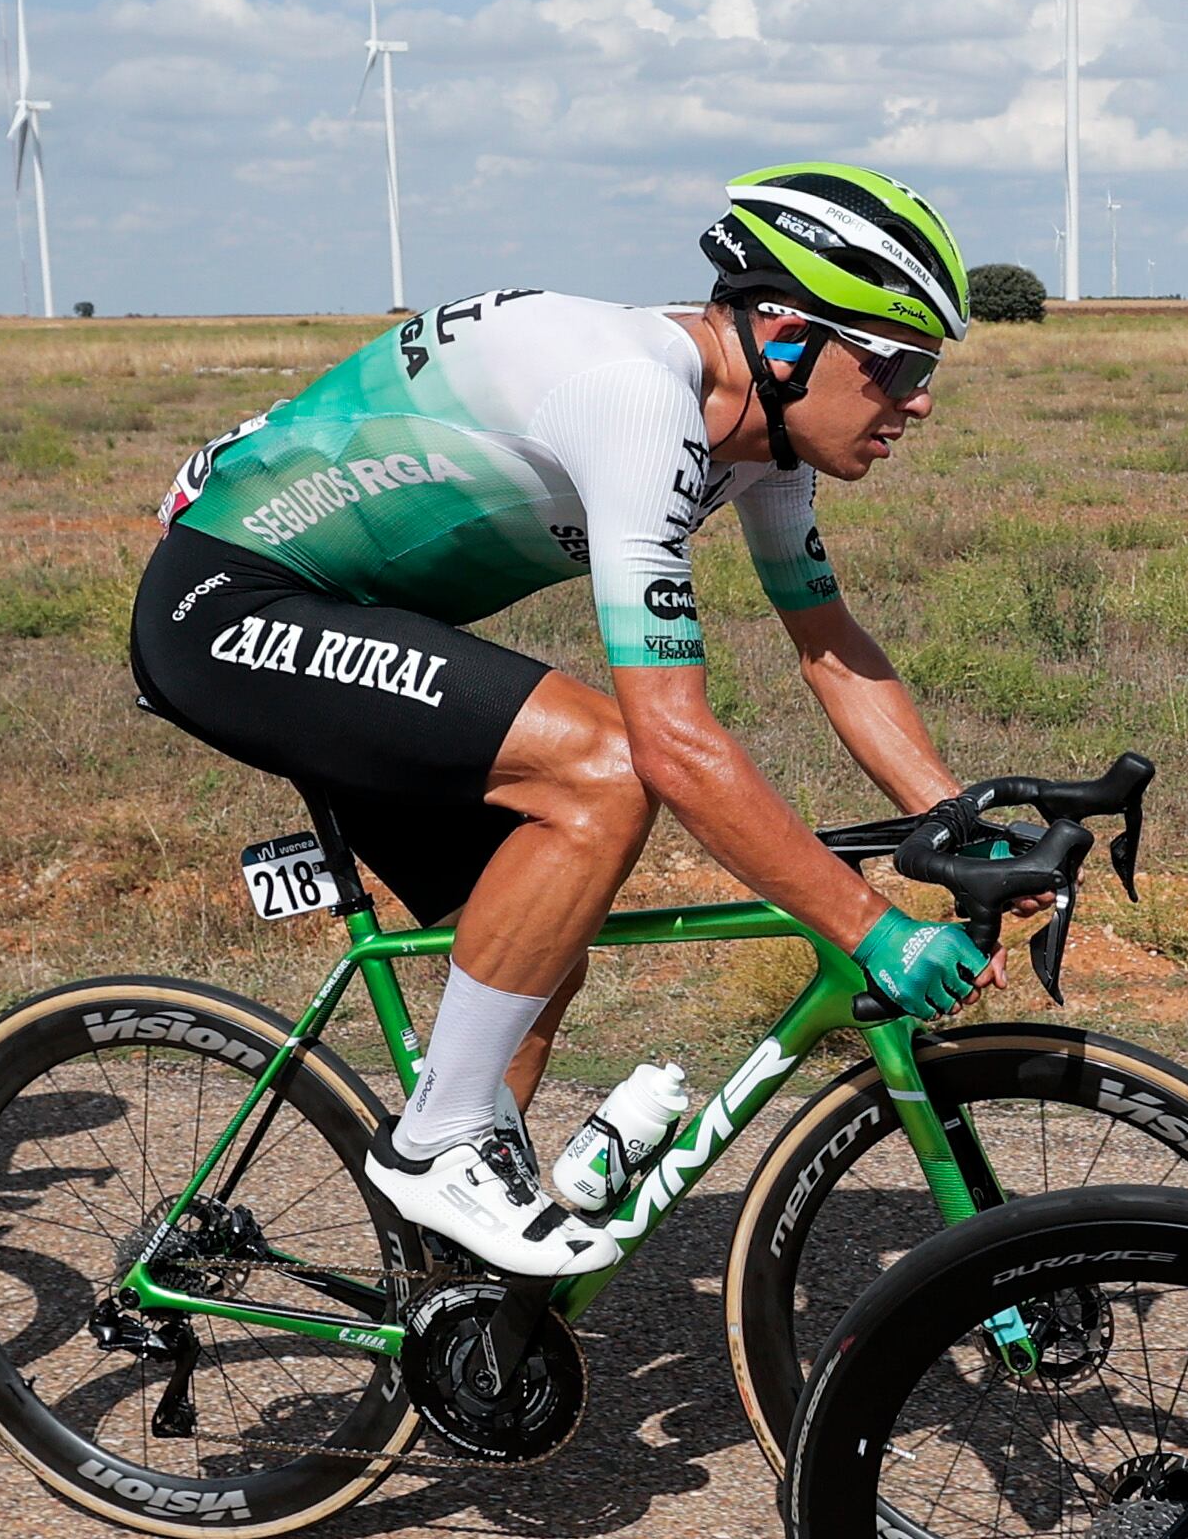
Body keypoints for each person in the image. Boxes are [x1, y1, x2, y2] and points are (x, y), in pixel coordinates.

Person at [136, 165, 999, 1275]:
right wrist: (870, 929)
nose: (918, 398)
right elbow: (670, 744)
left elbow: (826, 647)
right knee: (601, 771)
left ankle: (450, 1311)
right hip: (229, 603)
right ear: (786, 339)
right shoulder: (637, 397)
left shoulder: (763, 445)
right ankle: (440, 1144)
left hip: (353, 615)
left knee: (539, 947)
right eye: (896, 363)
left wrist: (959, 820)